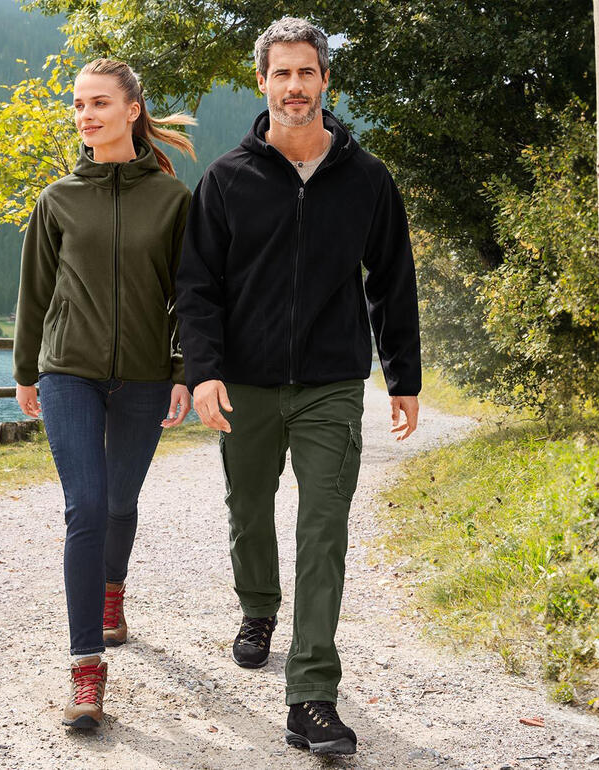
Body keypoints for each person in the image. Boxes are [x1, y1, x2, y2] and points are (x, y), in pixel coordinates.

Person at [176, 17, 421, 756]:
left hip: (331, 383)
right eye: (281, 73)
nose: (294, 86)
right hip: (244, 382)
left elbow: (393, 281)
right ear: (263, 82)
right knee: (248, 507)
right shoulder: (226, 178)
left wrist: (403, 377)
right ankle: (258, 608)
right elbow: (197, 286)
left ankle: (311, 694)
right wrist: (205, 370)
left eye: (306, 72)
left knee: (323, 530)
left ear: (324, 81)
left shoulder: (368, 179)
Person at [12, 58, 194, 729]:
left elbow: (190, 297)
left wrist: (183, 371)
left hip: (146, 374)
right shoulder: (57, 199)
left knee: (120, 500)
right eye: (78, 106)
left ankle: (111, 593)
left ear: (132, 110)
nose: (85, 116)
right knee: (85, 506)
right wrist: (26, 369)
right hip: (69, 372)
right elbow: (35, 292)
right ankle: (86, 667)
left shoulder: (174, 202)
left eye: (98, 103)